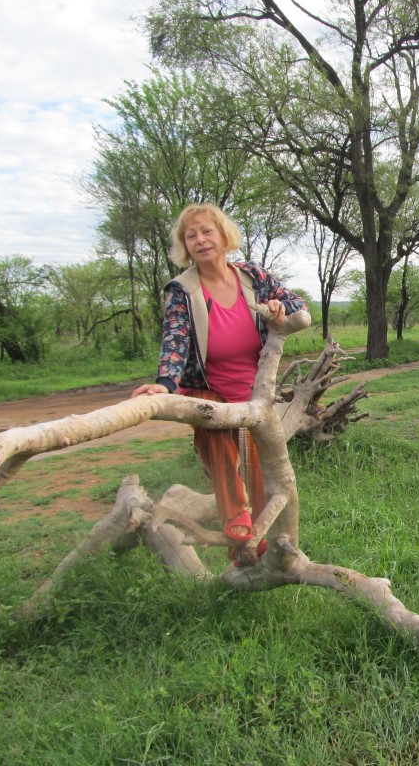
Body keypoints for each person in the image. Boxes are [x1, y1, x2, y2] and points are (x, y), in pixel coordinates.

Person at [132, 203, 306, 566]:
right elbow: (175, 339)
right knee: (212, 426)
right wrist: (164, 384)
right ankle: (235, 517)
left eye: (206, 231)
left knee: (257, 472)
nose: (200, 239)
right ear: (185, 245)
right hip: (207, 388)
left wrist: (278, 307)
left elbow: (296, 303)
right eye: (190, 235)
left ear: (223, 236)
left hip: (254, 392)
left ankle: (249, 552)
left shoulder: (252, 276)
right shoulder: (182, 289)